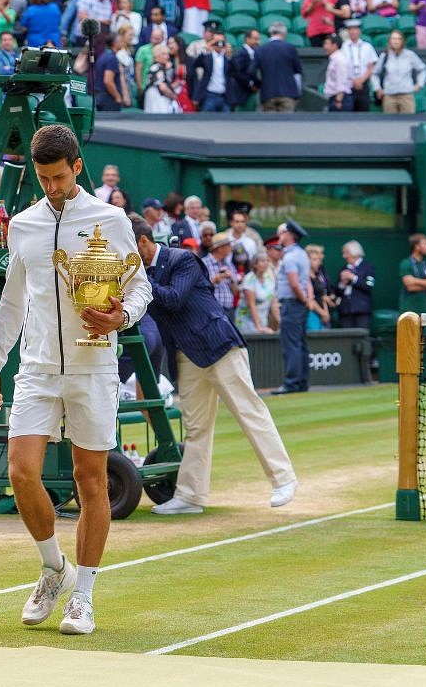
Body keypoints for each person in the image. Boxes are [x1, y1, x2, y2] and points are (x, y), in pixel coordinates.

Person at [0, 125, 150, 635]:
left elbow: (140, 285)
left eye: (60, 176)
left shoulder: (112, 219)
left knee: (90, 480)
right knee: (21, 472)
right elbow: (12, 301)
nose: (52, 186)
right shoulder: (25, 225)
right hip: (35, 368)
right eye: (43, 178)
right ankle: (54, 568)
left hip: (95, 368)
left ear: (77, 166)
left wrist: (122, 317)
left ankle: (85, 595)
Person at [132, 218, 299, 515]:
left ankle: (284, 479)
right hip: (187, 356)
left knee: (249, 411)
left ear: (143, 242)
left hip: (219, 346)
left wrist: (137, 276)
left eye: (130, 249)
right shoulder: (145, 273)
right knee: (196, 428)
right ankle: (191, 496)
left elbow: (172, 300)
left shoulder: (183, 259)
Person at [273, 219, 313, 395]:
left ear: (289, 235)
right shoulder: (302, 254)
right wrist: (307, 300)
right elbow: (306, 282)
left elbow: (295, 284)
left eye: (282, 233)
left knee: (291, 345)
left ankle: (291, 383)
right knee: (300, 343)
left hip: (292, 304)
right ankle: (302, 383)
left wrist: (303, 299)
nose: (279, 236)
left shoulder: (290, 256)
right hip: (299, 304)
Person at [336, 240, 374, 331]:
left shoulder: (368, 267)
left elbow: (369, 286)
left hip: (362, 310)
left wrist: (353, 278)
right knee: (346, 338)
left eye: (346, 253)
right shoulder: (344, 269)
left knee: (361, 337)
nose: (344, 256)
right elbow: (337, 291)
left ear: (354, 252)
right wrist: (342, 283)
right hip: (345, 310)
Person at [237, 252, 278, 334]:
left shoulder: (270, 278)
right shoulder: (249, 279)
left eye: (267, 261)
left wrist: (280, 321)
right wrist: (259, 327)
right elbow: (252, 305)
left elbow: (273, 303)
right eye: (262, 261)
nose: (266, 263)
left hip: (262, 321)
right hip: (245, 322)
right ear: (255, 264)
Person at [400, 232, 426, 315]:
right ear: (417, 246)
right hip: (409, 312)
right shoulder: (405, 263)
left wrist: (414, 280)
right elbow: (410, 287)